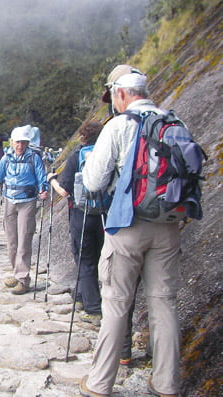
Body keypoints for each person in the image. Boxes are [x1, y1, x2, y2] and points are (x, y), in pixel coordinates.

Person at [79, 65, 181, 397]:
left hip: (126, 226)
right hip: (167, 226)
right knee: (164, 302)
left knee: (116, 302)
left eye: (114, 97)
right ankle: (166, 384)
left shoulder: (120, 125)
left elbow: (93, 181)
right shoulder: (173, 123)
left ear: (121, 93)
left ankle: (99, 383)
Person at [0, 125, 49, 295]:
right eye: (17, 142)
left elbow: (42, 179)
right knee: (12, 243)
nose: (20, 145)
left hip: (27, 202)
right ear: (12, 142)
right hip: (10, 202)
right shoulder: (6, 158)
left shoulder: (34, 158)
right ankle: (17, 272)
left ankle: (23, 279)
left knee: (24, 241)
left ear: (27, 143)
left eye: (23, 142)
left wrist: (43, 190)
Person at [47, 121, 104, 326]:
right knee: (97, 258)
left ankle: (93, 309)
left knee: (85, 258)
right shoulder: (108, 153)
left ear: (83, 137)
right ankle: (80, 296)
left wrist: (52, 179)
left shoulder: (78, 156)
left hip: (82, 213)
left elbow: (64, 191)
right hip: (106, 214)